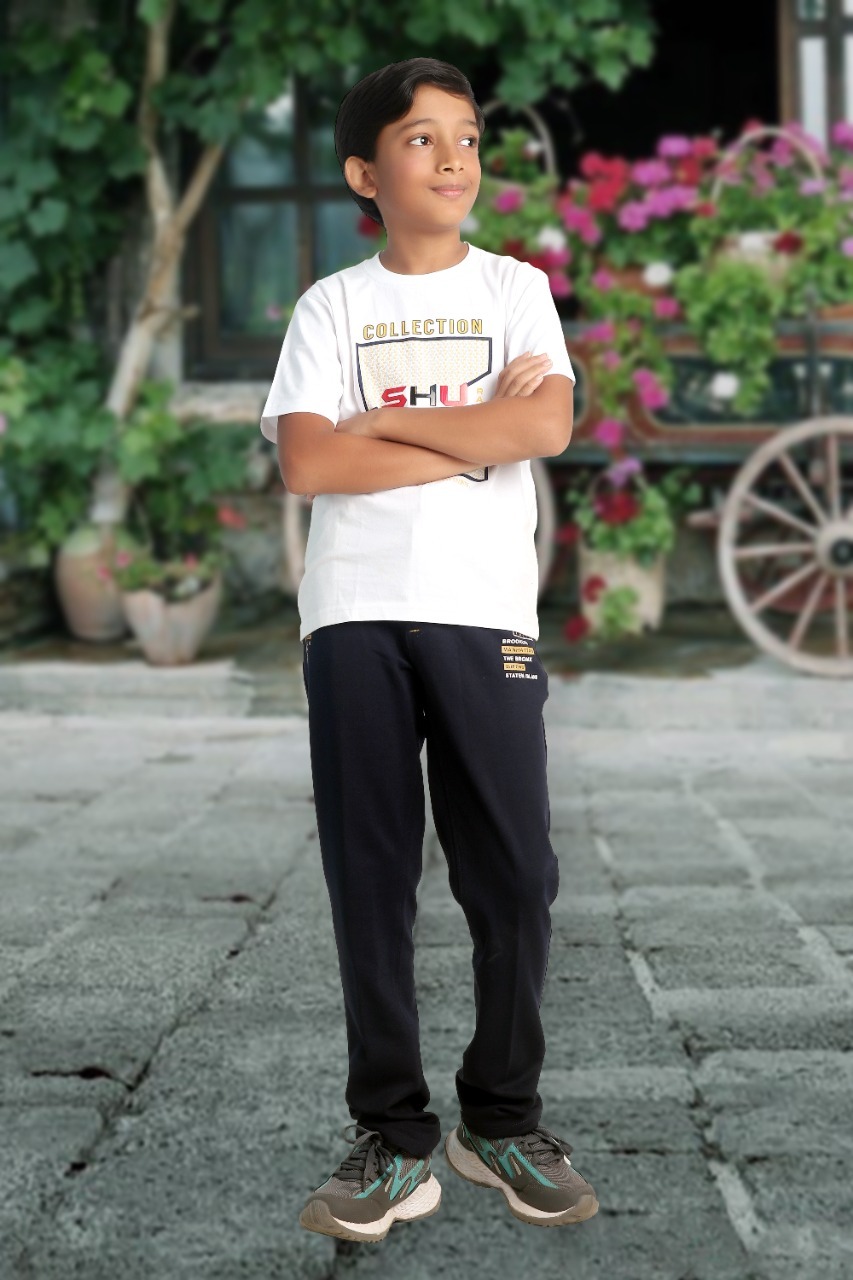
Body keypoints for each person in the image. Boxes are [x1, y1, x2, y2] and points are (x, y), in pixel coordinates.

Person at [260, 56, 599, 1244]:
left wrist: (387, 420)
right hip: (352, 611)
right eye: (420, 138)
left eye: (466, 136)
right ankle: (393, 1140)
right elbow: (310, 461)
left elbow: (543, 422)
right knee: (370, 876)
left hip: (483, 608)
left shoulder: (515, 289)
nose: (453, 156)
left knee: (514, 873)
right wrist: (470, 431)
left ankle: (500, 1118)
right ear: (365, 174)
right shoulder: (331, 307)